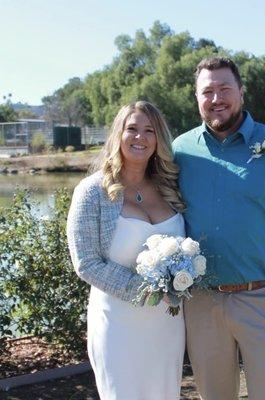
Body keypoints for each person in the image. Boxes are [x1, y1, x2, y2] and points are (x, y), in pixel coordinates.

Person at [173, 57, 265, 400]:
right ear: (197, 98)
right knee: (213, 394)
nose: (216, 98)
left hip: (262, 298)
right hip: (202, 302)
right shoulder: (180, 151)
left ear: (240, 91)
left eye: (224, 88)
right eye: (207, 91)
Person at [67, 101, 186, 400]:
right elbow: (86, 263)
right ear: (117, 134)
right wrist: (145, 290)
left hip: (167, 325)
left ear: (158, 139)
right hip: (117, 325)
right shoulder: (92, 191)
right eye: (132, 128)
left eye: (150, 130)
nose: (140, 137)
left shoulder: (170, 187)